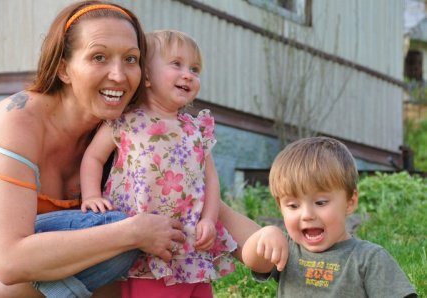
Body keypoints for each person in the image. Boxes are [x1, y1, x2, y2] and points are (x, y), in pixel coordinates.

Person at [0, 2, 188, 297]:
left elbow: (191, 191)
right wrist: (132, 233)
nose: (118, 74)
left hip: (22, 274)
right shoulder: (20, 120)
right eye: (98, 57)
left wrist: (263, 240)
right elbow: (9, 261)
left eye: (130, 59)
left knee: (121, 237)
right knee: (117, 233)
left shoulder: (125, 128)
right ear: (63, 68)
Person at [80, 29, 237, 298]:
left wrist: (210, 219)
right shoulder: (126, 120)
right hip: (145, 242)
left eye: (195, 69)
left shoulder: (195, 128)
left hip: (190, 241)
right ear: (147, 76)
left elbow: (211, 178)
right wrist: (91, 195)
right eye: (176, 64)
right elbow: (93, 157)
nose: (188, 74)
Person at [242, 137, 418, 298]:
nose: (307, 215)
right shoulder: (287, 250)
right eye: (293, 206)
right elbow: (253, 262)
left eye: (320, 202)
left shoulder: (368, 258)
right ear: (280, 207)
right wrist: (265, 234)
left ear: (350, 202)